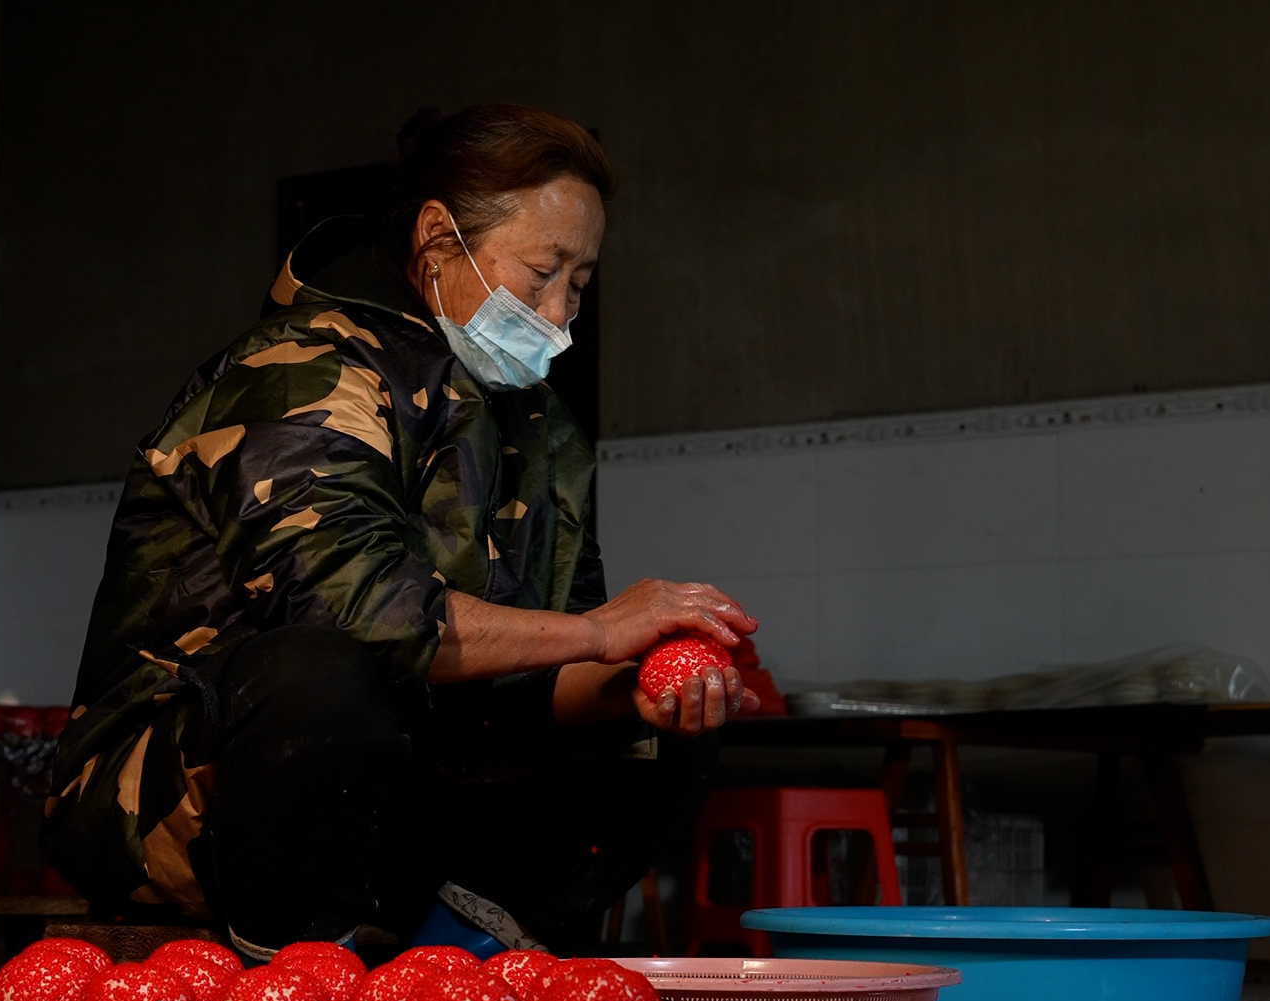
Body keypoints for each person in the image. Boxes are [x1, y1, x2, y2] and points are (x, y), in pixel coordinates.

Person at [45, 103, 759, 958]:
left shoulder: (533, 424)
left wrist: (639, 679)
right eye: (542, 271)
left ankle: (463, 956)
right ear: (436, 240)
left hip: (408, 782)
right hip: (190, 793)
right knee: (319, 667)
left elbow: (545, 668)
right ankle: (298, 974)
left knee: (662, 712)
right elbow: (358, 610)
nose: (561, 311)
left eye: (581, 281)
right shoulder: (301, 370)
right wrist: (601, 632)